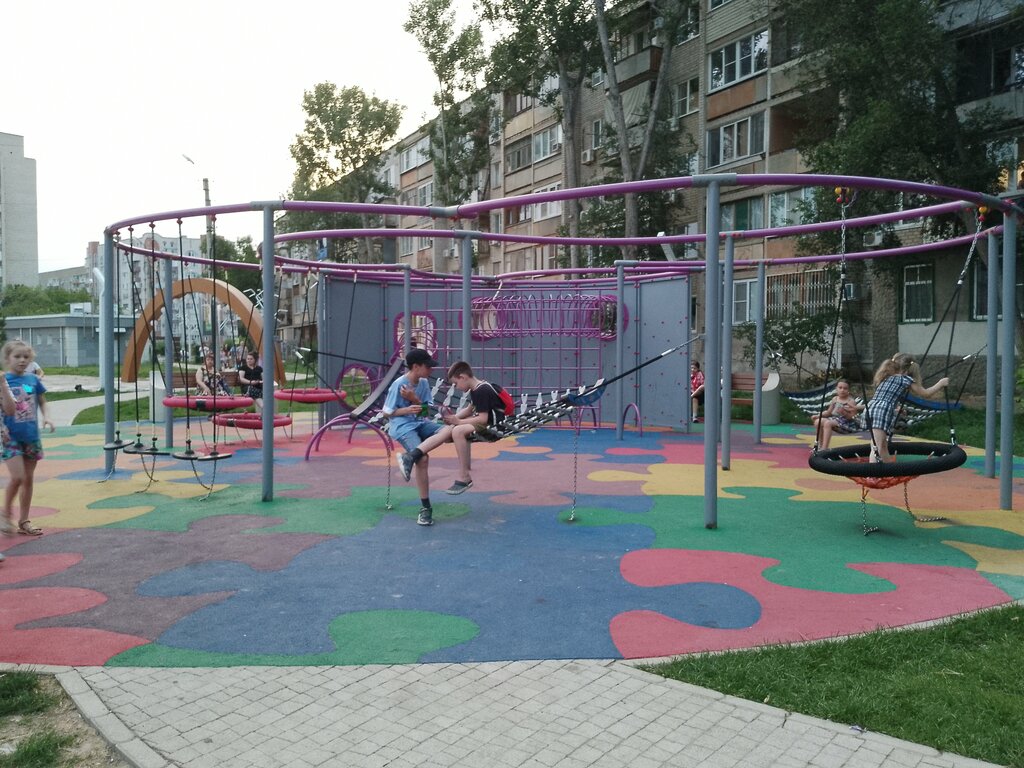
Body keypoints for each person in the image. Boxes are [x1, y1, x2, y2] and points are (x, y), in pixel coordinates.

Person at [397, 361, 510, 498]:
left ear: (463, 377)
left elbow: (482, 419)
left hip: (494, 425)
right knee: (450, 428)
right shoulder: (478, 388)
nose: (456, 387)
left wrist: (459, 422)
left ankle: (464, 476)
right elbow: (470, 409)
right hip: (487, 422)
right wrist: (453, 418)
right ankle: (413, 455)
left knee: (458, 431)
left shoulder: (482, 390)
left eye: (455, 384)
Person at [384, 348, 445, 526]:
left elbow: (424, 412)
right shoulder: (399, 384)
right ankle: (426, 508)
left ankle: (410, 457)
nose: (431, 370)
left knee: (448, 431)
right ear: (416, 367)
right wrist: (407, 409)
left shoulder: (424, 383)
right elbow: (387, 413)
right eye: (428, 366)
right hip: (403, 426)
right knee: (423, 459)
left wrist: (414, 399)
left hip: (419, 423)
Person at [1, 340, 54, 538]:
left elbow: (42, 401)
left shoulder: (33, 380)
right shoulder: (3, 380)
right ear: (7, 359)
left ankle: (24, 521)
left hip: (30, 436)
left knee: (28, 479)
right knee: (17, 477)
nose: (22, 360)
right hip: (10, 437)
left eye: (26, 357)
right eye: (17, 356)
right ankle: (5, 514)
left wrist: (47, 416)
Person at [866, 352, 949, 462]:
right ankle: (872, 475)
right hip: (881, 410)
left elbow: (889, 395)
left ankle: (888, 470)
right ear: (908, 370)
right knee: (877, 447)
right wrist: (941, 383)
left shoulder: (886, 376)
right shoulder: (906, 379)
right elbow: (926, 393)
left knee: (882, 445)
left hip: (871, 408)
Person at [811, 378, 864, 450]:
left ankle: (824, 448)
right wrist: (818, 415)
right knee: (818, 421)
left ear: (848, 390)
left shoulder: (850, 401)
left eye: (845, 388)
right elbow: (828, 412)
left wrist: (845, 413)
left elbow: (853, 417)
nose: (842, 390)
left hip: (846, 423)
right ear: (836, 389)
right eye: (840, 388)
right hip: (835, 420)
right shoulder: (835, 399)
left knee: (827, 423)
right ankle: (819, 444)